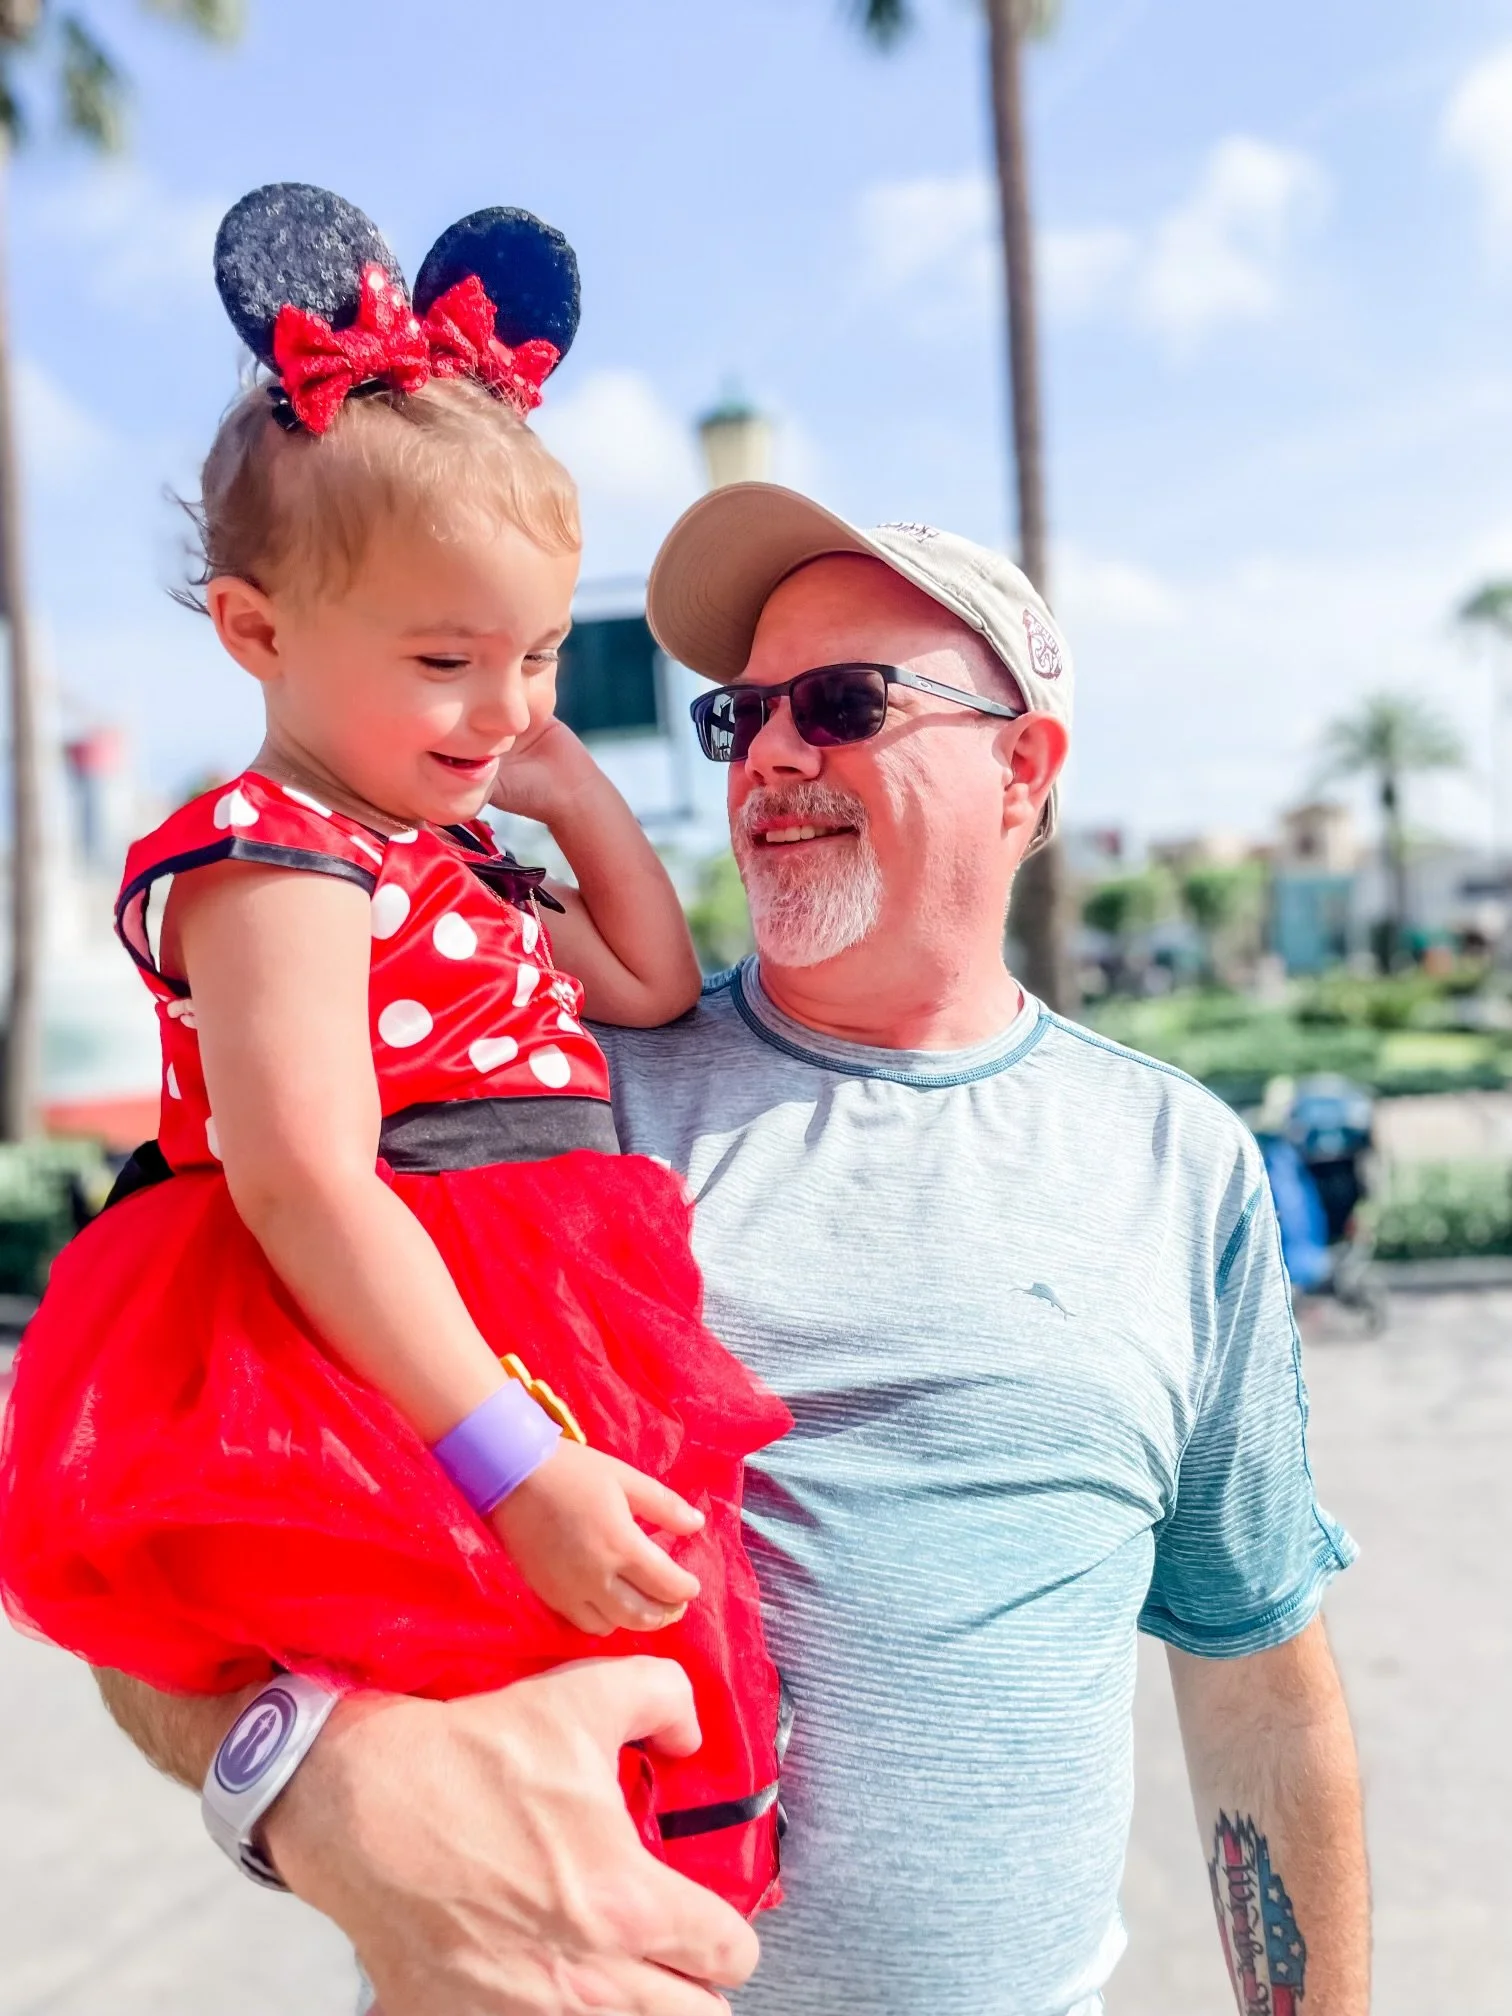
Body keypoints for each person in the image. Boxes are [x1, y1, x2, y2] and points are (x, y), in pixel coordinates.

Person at [91, 485, 1369, 2016]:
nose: (769, 753)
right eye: (741, 715)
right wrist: (312, 1780)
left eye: (839, 703)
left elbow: (1258, 1699)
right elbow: (134, 1507)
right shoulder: (518, 1093)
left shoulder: (1182, 1167)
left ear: (1024, 767)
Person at [0, 186, 791, 1924]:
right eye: (447, 661)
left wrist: (570, 786)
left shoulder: (453, 857)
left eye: (528, 658)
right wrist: (512, 1463)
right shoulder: (281, 855)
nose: (504, 707)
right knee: (516, 1795)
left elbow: (649, 986)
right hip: (422, 1355)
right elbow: (298, 1175)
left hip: (552, 1320)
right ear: (257, 630)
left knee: (631, 1777)